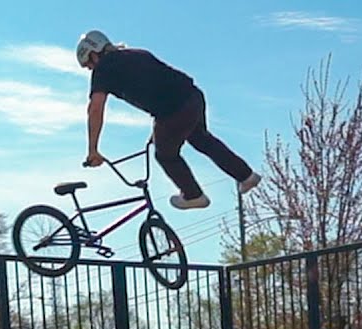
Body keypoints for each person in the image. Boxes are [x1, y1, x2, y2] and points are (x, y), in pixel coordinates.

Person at [76, 30, 260, 210]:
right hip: (192, 97)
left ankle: (193, 195)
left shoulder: (104, 68)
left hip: (173, 110)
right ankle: (246, 175)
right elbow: (158, 86)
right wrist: (160, 130)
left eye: (87, 64)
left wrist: (93, 149)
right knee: (201, 139)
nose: (90, 69)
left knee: (165, 155)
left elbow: (95, 108)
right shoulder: (137, 54)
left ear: (93, 53)